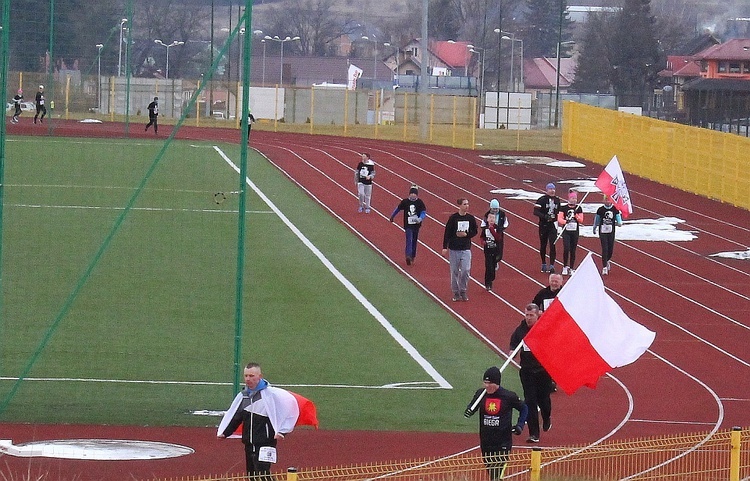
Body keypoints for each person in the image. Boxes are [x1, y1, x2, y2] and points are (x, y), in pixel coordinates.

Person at [218, 362, 289, 480]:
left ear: (260, 376)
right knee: (252, 476)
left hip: (265, 443)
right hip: (249, 443)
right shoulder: (244, 396)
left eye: (251, 376)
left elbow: (285, 414)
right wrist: (226, 433)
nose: (248, 379)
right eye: (246, 376)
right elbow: (237, 417)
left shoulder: (271, 395)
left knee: (263, 474)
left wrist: (282, 432)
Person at [464, 366, 528, 480]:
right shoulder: (480, 394)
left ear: (497, 383)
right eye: (485, 382)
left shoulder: (508, 396)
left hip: (502, 442)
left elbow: (524, 408)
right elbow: (472, 407)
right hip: (486, 441)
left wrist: (520, 425)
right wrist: (469, 410)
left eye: (489, 383)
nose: (487, 386)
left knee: (496, 475)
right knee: (492, 474)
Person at [510, 304, 553, 443]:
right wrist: (512, 353)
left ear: (537, 315)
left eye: (531, 315)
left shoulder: (544, 328)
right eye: (527, 315)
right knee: (530, 402)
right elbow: (513, 347)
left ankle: (547, 417)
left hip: (542, 371)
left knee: (544, 400)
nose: (528, 318)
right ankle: (534, 433)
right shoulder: (520, 330)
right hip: (527, 371)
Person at [442, 198, 478, 301]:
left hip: (466, 248)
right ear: (460, 205)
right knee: (454, 271)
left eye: (468, 204)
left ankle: (463, 290)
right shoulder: (453, 218)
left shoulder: (470, 218)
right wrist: (445, 247)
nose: (467, 206)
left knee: (466, 270)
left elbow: (475, 231)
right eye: (465, 204)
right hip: (454, 249)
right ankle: (456, 292)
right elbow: (447, 233)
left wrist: (466, 234)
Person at [389, 184, 427, 265]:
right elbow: (398, 209)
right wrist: (392, 216)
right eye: (412, 193)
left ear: (417, 195)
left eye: (414, 194)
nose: (413, 195)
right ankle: (408, 256)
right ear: (409, 194)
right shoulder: (405, 202)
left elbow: (423, 212)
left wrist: (420, 218)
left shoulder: (420, 202)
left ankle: (413, 255)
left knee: (414, 240)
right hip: (408, 225)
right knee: (409, 239)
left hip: (416, 225)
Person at [533, 183, 561, 274]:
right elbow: (535, 211)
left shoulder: (557, 200)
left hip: (553, 225)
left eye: (553, 189)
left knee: (553, 244)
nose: (552, 191)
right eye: (550, 189)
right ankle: (544, 263)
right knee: (543, 244)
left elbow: (559, 212)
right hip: (543, 225)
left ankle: (552, 265)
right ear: (547, 190)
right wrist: (545, 216)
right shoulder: (541, 200)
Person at [480, 199, 508, 291]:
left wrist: (497, 228)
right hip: (488, 247)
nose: (495, 211)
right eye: (493, 209)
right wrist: (484, 242)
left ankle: (495, 263)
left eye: (496, 209)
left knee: (498, 257)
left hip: (497, 242)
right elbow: (482, 233)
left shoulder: (502, 215)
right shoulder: (486, 215)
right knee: (488, 265)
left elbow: (505, 225)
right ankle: (488, 283)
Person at [593, 194, 623, 275]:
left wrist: (619, 222)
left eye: (609, 200)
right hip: (603, 232)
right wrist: (594, 227)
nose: (608, 201)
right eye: (606, 200)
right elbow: (597, 219)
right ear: (603, 201)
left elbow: (618, 217)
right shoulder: (600, 210)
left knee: (610, 249)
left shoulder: (615, 209)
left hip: (611, 231)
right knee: (605, 248)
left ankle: (607, 260)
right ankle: (604, 267)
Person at [557, 190, 584, 276]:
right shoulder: (563, 208)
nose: (574, 200)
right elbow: (559, 219)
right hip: (566, 231)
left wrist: (576, 215)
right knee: (566, 248)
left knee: (573, 250)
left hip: (575, 231)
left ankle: (572, 268)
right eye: (572, 198)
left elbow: (581, 220)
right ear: (569, 198)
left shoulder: (578, 208)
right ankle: (565, 266)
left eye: (575, 198)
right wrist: (565, 221)